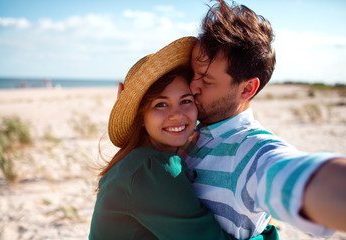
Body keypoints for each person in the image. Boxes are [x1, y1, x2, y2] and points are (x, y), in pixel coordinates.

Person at [181, 0, 346, 239]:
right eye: (192, 74)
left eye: (206, 81)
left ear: (247, 89)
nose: (193, 86)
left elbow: (294, 175)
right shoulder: (187, 132)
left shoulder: (251, 152)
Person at [89, 37, 237, 240]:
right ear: (141, 117)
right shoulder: (152, 168)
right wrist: (265, 233)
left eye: (185, 100)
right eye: (161, 104)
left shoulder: (135, 160)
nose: (177, 115)